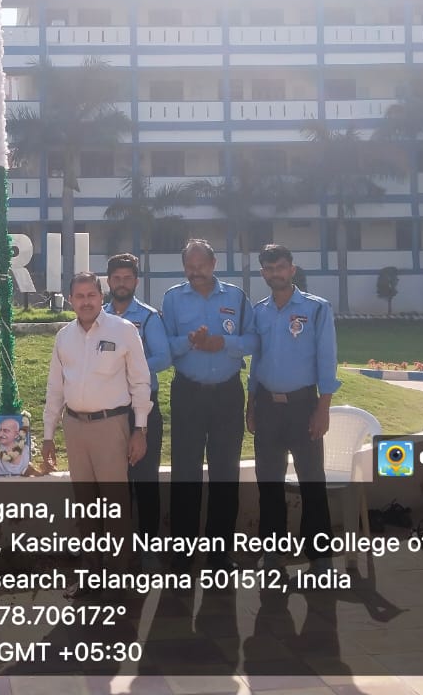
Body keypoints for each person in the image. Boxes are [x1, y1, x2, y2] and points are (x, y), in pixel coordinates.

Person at [44, 271, 151, 592]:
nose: (86, 302)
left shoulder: (124, 330)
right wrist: (48, 435)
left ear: (101, 297)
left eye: (91, 295)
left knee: (115, 504)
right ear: (70, 300)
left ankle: (118, 575)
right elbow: (55, 388)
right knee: (85, 504)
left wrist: (140, 428)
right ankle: (90, 574)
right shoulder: (64, 337)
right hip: (75, 427)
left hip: (111, 426)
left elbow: (140, 382)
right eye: (79, 296)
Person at [160, 239, 255, 572]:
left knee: (225, 472)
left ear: (214, 264)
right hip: (188, 393)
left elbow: (252, 339)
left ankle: (219, 555)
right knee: (185, 472)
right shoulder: (172, 298)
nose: (195, 271)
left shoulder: (236, 297)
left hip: (228, 395)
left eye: (201, 265)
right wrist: (189, 342)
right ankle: (182, 555)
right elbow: (164, 345)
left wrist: (222, 343)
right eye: (190, 266)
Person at [247, 243, 338, 571]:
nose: (276, 273)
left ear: (292, 269)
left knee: (311, 479)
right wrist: (251, 404)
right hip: (267, 407)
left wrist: (323, 407)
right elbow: (256, 361)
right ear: (263, 273)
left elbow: (327, 359)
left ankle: (320, 555)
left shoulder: (316, 309)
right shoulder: (259, 311)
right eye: (270, 269)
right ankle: (273, 552)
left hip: (304, 406)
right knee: (268, 481)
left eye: (281, 267)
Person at [102, 253, 171, 554]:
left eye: (127, 278)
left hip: (143, 409)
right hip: (109, 411)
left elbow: (164, 357)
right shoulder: (99, 317)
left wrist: (130, 367)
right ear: (108, 281)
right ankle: (118, 548)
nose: (122, 283)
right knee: (114, 483)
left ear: (136, 282)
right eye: (117, 278)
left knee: (145, 481)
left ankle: (148, 550)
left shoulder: (148, 317)